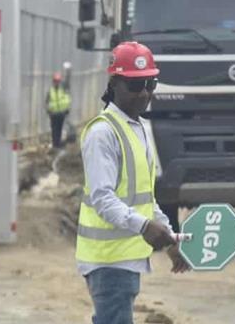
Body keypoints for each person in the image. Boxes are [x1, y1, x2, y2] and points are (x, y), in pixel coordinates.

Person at [77, 41, 190, 324]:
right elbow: (103, 198)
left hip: (125, 259)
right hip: (108, 260)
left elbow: (144, 199)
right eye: (135, 85)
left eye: (150, 84)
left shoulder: (136, 128)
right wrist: (144, 226)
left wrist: (168, 239)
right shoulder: (103, 133)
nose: (144, 94)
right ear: (114, 83)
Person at [46, 72, 72, 149]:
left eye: (58, 81)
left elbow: (67, 99)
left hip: (61, 113)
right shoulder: (51, 90)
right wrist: (49, 110)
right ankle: (55, 144)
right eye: (55, 81)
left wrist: (67, 109)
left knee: (59, 128)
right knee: (54, 129)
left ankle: (58, 143)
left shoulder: (63, 89)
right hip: (53, 113)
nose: (56, 82)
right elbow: (47, 101)